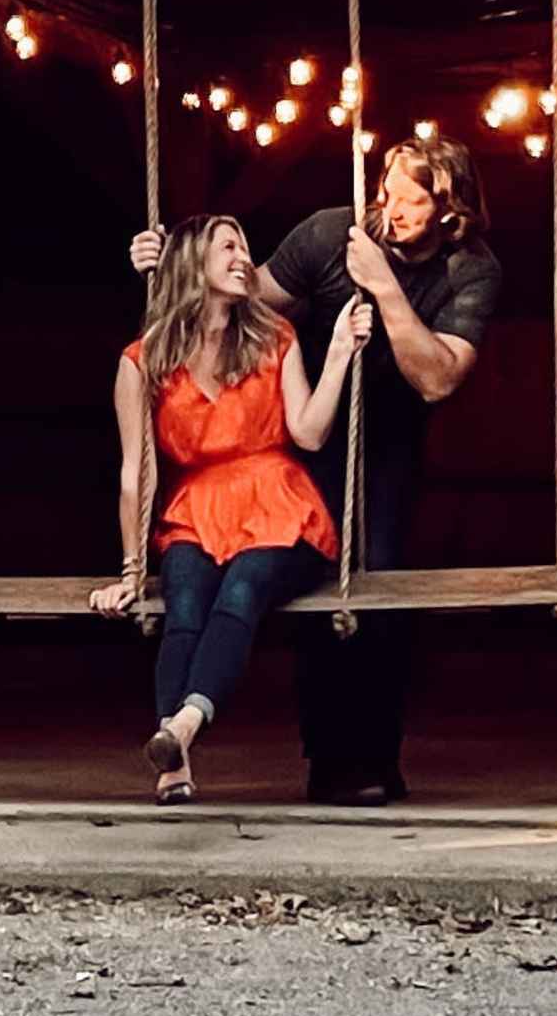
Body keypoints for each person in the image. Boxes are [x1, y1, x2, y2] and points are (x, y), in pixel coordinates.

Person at [132, 136, 501, 801]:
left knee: (379, 589)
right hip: (309, 438)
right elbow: (243, 302)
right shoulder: (332, 233)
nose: (389, 209)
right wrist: (172, 265)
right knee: (309, 596)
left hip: (389, 440)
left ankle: (375, 758)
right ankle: (326, 758)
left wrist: (384, 286)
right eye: (385, 191)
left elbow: (436, 378)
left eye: (411, 202)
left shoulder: (469, 270)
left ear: (450, 212)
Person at [89, 212, 371, 800]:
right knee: (185, 602)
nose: (244, 256)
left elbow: (311, 433)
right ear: (193, 263)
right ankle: (176, 767)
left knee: (242, 591)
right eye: (228, 246)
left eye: (245, 243)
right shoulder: (143, 361)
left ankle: (181, 727)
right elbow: (133, 473)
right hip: (196, 508)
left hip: (278, 502)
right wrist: (131, 572)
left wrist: (341, 352)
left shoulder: (274, 338)